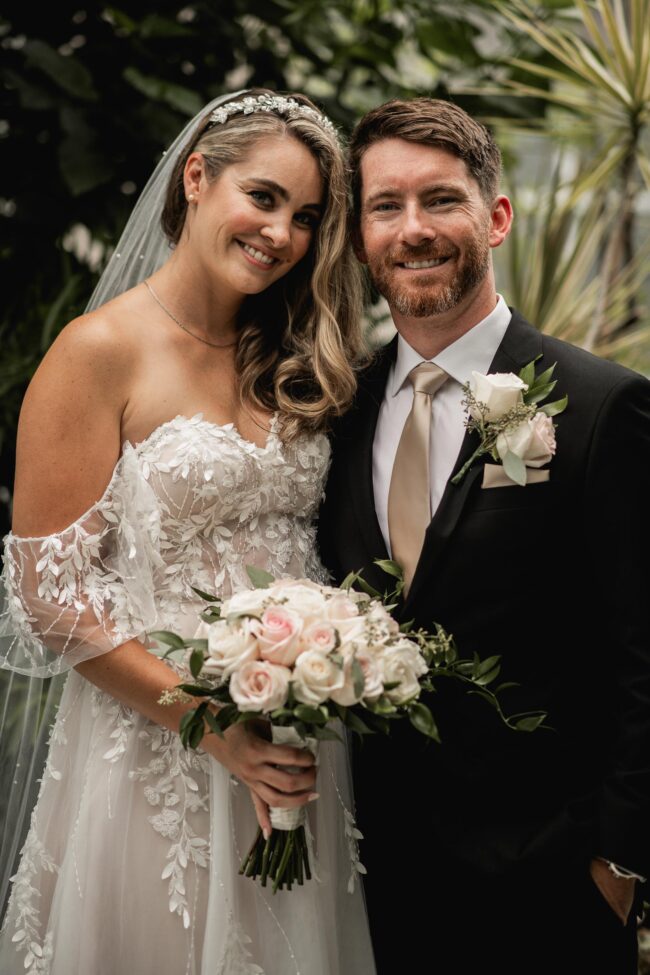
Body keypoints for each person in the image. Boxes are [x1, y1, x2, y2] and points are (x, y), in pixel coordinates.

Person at [0, 89, 377, 974]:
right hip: (152, 752)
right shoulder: (97, 352)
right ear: (198, 178)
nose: (282, 233)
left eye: (307, 217)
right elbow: (50, 599)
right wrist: (214, 729)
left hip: (292, 750)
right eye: (265, 197)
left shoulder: (290, 355)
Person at [318, 97, 650, 974]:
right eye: (386, 206)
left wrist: (618, 862)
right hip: (365, 887)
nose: (413, 229)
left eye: (441, 200)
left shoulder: (601, 407)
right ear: (360, 236)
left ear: (496, 217)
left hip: (549, 893)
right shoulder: (333, 414)